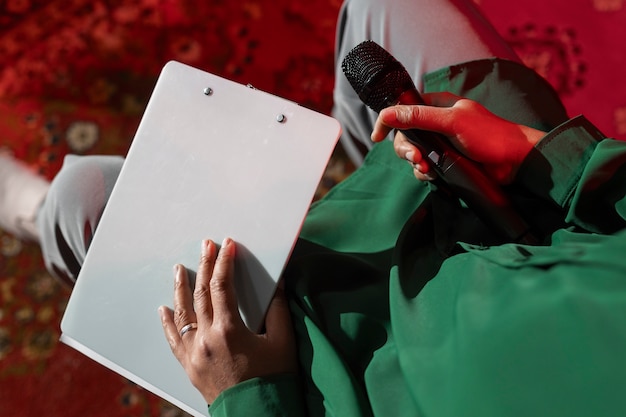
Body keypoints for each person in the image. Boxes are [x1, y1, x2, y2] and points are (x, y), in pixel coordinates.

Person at [1, 0, 625, 416]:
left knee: (80, 199)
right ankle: (355, 150)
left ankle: (35, 217)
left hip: (337, 366)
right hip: (522, 208)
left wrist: (250, 394)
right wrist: (536, 154)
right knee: (391, 8)